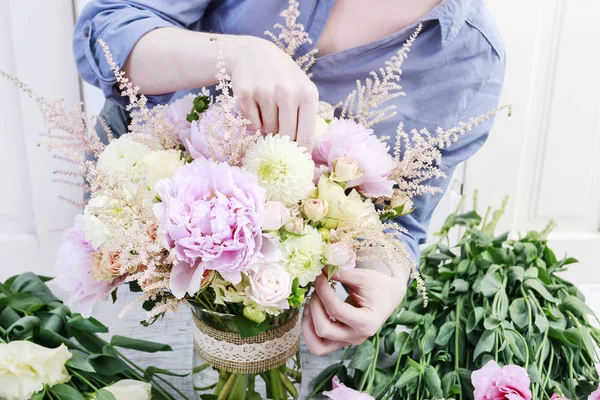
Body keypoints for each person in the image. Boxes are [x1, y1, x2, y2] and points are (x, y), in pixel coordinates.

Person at [73, 0, 505, 356]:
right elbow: (106, 30)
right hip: (133, 269)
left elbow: (400, 220)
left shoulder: (470, 57)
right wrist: (237, 55)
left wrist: (387, 284)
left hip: (287, 315)